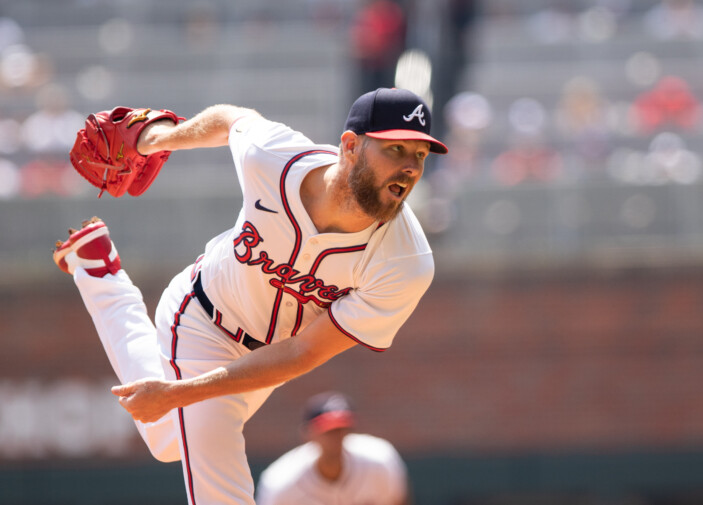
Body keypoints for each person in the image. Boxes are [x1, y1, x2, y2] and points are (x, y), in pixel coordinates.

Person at [52, 87, 447, 505]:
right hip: (202, 317)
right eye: (396, 149)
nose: (408, 167)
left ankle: (97, 267)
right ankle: (99, 271)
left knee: (168, 440)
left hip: (268, 360)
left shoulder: (405, 262)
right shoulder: (276, 159)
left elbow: (302, 354)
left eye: (420, 156)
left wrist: (175, 395)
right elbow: (230, 119)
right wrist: (156, 138)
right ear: (350, 146)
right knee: (220, 485)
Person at [255, 391, 410, 505]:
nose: (336, 436)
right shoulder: (281, 481)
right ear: (308, 434)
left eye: (341, 428)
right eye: (328, 430)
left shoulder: (379, 460)